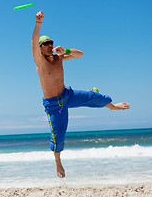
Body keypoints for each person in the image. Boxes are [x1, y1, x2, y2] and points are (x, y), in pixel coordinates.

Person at [32, 10, 130, 178]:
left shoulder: (58, 58)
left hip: (67, 95)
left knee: (95, 97)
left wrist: (66, 51)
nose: (49, 45)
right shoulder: (39, 61)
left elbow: (80, 54)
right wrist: (38, 23)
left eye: (51, 43)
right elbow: (33, 43)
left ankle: (112, 107)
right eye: (46, 43)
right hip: (54, 104)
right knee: (57, 136)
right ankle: (58, 162)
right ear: (40, 48)